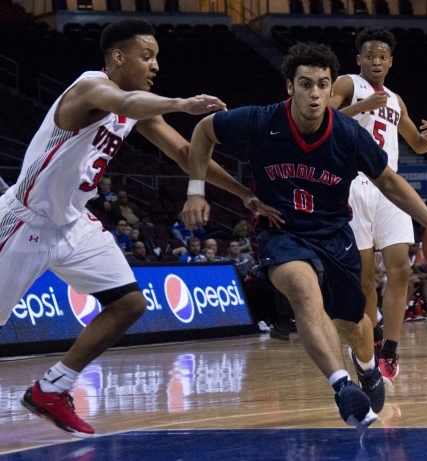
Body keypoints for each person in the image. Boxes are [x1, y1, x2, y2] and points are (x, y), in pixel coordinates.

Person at [1, 19, 278, 437]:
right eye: (146, 57)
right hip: (26, 222)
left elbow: (186, 152)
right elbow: (126, 103)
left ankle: (52, 388)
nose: (154, 66)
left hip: (75, 224)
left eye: (157, 59)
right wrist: (182, 104)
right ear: (118, 57)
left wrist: (243, 193)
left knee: (129, 304)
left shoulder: (136, 107)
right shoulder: (90, 88)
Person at [183, 42, 427, 429]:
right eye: (305, 84)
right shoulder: (261, 120)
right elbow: (203, 131)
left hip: (335, 235)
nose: (315, 94)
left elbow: (388, 180)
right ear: (290, 87)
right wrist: (196, 190)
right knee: (303, 290)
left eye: (322, 84)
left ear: (331, 85)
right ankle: (342, 387)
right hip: (280, 233)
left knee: (356, 326)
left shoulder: (348, 134)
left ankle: (367, 367)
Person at [329, 27, 427, 386]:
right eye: (370, 56)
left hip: (388, 185)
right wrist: (361, 107)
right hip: (353, 186)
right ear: (359, 59)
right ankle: (373, 336)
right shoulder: (348, 83)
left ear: (391, 61)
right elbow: (323, 121)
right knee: (366, 279)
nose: (376, 61)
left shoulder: (396, 101)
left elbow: (416, 142)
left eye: (382, 57)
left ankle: (390, 351)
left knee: (399, 270)